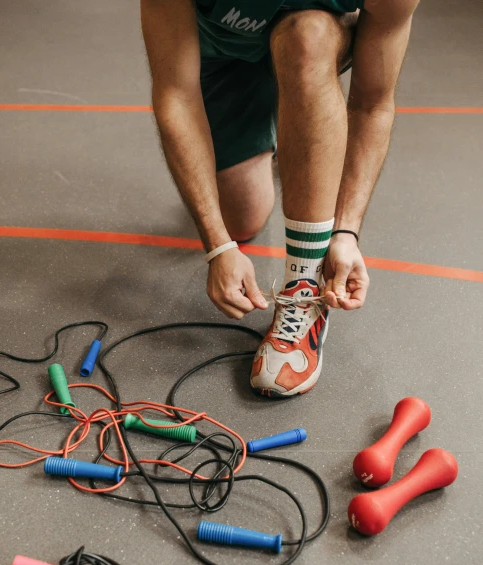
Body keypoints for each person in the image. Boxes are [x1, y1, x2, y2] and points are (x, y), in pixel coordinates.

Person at [141, 0, 419, 397]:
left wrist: (344, 233)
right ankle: (294, 127)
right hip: (225, 55)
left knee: (307, 36)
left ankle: (304, 287)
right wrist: (219, 245)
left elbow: (372, 104)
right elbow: (176, 95)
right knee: (241, 219)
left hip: (312, 40)